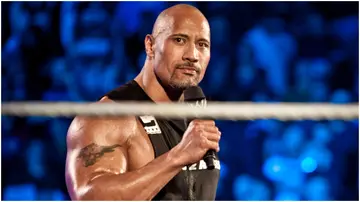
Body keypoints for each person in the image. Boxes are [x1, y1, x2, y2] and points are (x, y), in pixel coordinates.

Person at [65, 4, 221, 200]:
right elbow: (90, 197)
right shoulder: (109, 116)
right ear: (150, 45)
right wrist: (178, 156)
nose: (192, 55)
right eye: (180, 40)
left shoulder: (196, 104)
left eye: (202, 45)